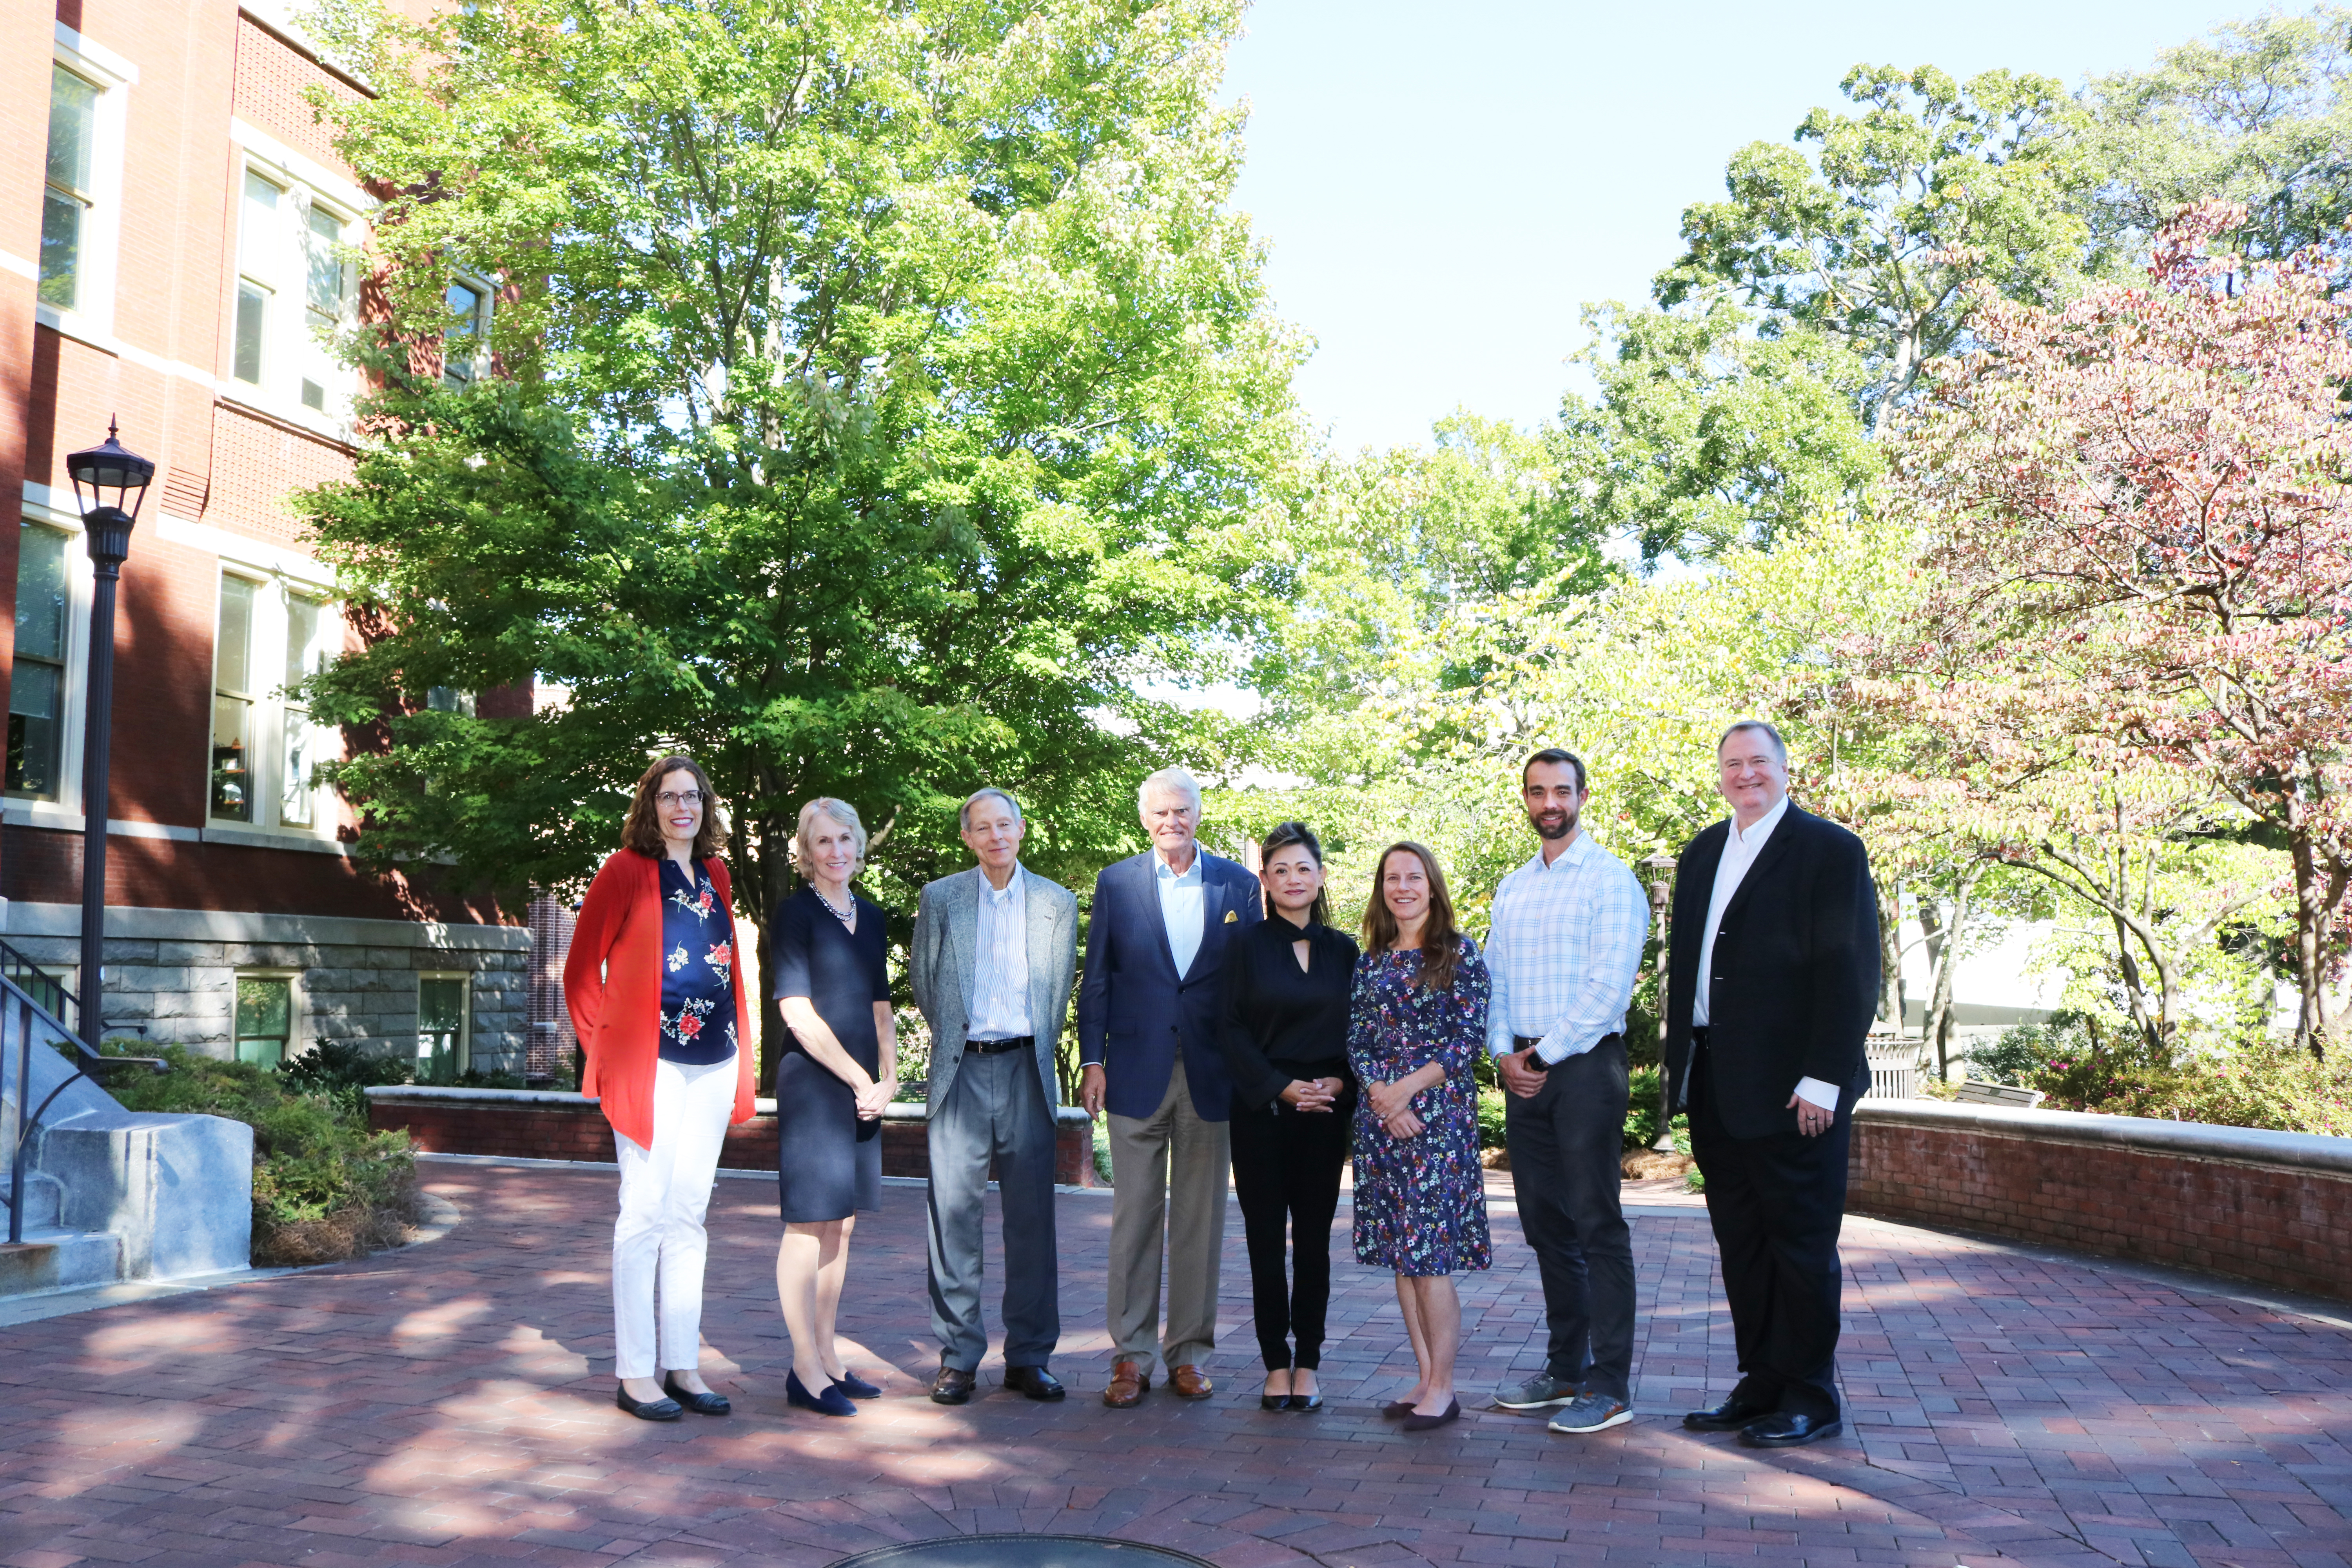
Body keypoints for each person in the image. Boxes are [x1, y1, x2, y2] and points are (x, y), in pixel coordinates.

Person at [1665, 720, 1877, 1449]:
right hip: (1717, 1085)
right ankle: (1760, 1382)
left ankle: (1810, 1395)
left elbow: (1850, 972)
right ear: (1719, 773)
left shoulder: (1830, 850)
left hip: (1798, 1093)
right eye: (1733, 764)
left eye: (1759, 762)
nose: (1745, 774)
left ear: (1786, 770)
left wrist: (1825, 1077)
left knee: (1801, 1245)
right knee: (1742, 1245)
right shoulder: (1702, 853)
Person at [563, 753, 757, 1423]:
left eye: (694, 797)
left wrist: (741, 1065)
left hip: (712, 1063)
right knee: (643, 1213)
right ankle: (636, 1373)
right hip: (651, 1067)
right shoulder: (624, 872)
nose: (683, 808)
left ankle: (682, 1364)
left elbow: (728, 973)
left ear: (706, 807)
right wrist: (606, 1053)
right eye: (670, 797)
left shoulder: (717, 875)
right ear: (649, 806)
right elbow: (581, 971)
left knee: (689, 1218)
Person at [1076, 765, 1263, 1407]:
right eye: (1159, 813)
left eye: (1182, 810)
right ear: (1144, 819)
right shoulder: (1117, 884)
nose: (1171, 822)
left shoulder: (1239, 884)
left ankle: (1189, 1354)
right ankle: (1132, 1356)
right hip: (1133, 1071)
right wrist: (1090, 1061)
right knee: (1134, 1219)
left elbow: (1253, 985)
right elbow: (1096, 976)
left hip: (1213, 1077)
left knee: (1199, 1221)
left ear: (1199, 814)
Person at [1485, 749, 1651, 1436]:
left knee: (1596, 1225)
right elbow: (1489, 978)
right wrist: (1502, 1054)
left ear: (1583, 795)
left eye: (1560, 790)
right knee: (1545, 1226)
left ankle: (1609, 1385)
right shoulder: (1513, 886)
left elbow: (1607, 988)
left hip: (1582, 1067)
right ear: (1525, 800)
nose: (1548, 802)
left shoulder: (1611, 882)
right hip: (1524, 1072)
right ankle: (1565, 1371)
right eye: (1536, 792)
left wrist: (1539, 1054)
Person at [908, 787, 1080, 1405]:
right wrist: (961, 1034)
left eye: (1004, 825)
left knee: (1033, 1222)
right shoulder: (942, 898)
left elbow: (1058, 992)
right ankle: (957, 1357)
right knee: (952, 1219)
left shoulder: (1057, 903)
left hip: (1025, 1072)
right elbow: (926, 985)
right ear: (968, 838)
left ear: (1021, 829)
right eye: (982, 828)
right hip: (961, 1072)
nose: (995, 836)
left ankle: (1029, 1357)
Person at [1349, 841, 1492, 1432]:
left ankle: (1445, 1387)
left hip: (1437, 1123)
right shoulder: (1372, 961)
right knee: (1403, 1259)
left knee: (1430, 1259)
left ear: (1432, 886)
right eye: (1392, 878)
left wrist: (1404, 1091)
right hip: (1384, 1125)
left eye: (1413, 877)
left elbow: (1465, 1043)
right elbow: (1357, 1041)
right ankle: (1424, 1375)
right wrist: (1385, 1099)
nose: (1402, 887)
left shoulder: (1460, 955)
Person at [1217, 821, 1358, 1413]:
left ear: (1321, 876)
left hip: (1325, 1111)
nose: (1293, 879)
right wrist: (1280, 1088)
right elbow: (1226, 1027)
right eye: (1280, 870)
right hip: (1262, 1113)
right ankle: (1276, 1362)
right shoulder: (1242, 946)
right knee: (1264, 1241)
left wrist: (1340, 1082)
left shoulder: (1347, 950)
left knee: (1315, 1246)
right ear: (1266, 883)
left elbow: (1365, 1032)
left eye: (1304, 868)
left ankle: (1311, 1363)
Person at [771, 797, 898, 1418]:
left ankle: (828, 1354)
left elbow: (881, 1009)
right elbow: (797, 1011)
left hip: (862, 1090)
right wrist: (857, 1079)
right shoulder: (794, 915)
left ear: (859, 843)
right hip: (816, 1086)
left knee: (841, 1224)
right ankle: (801, 1365)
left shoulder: (870, 917)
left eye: (845, 838)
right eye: (823, 842)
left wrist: (890, 1080)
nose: (837, 851)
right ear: (805, 851)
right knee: (807, 1222)